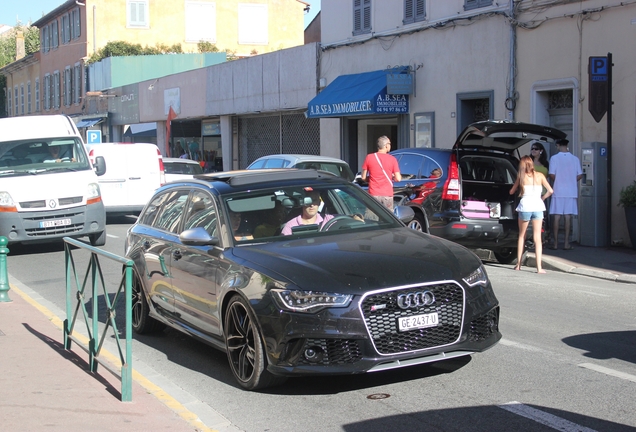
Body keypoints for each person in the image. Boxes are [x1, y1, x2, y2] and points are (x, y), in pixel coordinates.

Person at [509, 156, 553, 273]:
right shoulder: (540, 176)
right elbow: (551, 191)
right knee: (537, 238)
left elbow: (511, 191)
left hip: (525, 206)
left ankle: (518, 264)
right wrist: (542, 198)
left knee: (522, 235)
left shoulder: (521, 176)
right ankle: (539, 267)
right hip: (538, 206)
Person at [548, 138, 583, 250]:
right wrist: (571, 181)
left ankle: (555, 243)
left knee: (557, 216)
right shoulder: (575, 159)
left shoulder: (554, 158)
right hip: (571, 191)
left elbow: (552, 174)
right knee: (568, 216)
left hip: (558, 190)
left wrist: (559, 181)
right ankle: (567, 243)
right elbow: (580, 175)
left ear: (558, 145)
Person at [360, 136, 402, 210]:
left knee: (372, 219)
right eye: (389, 143)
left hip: (373, 194)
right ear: (386, 145)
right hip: (387, 194)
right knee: (388, 219)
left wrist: (371, 178)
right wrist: (392, 177)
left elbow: (363, 177)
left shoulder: (369, 157)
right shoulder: (392, 159)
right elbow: (398, 179)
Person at [530, 138, 551, 238]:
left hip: (542, 192)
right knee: (531, 215)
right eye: (532, 149)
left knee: (543, 216)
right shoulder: (529, 162)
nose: (533, 150)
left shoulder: (546, 164)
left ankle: (544, 236)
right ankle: (532, 236)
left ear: (541, 151)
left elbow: (548, 178)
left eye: (536, 149)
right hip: (531, 192)